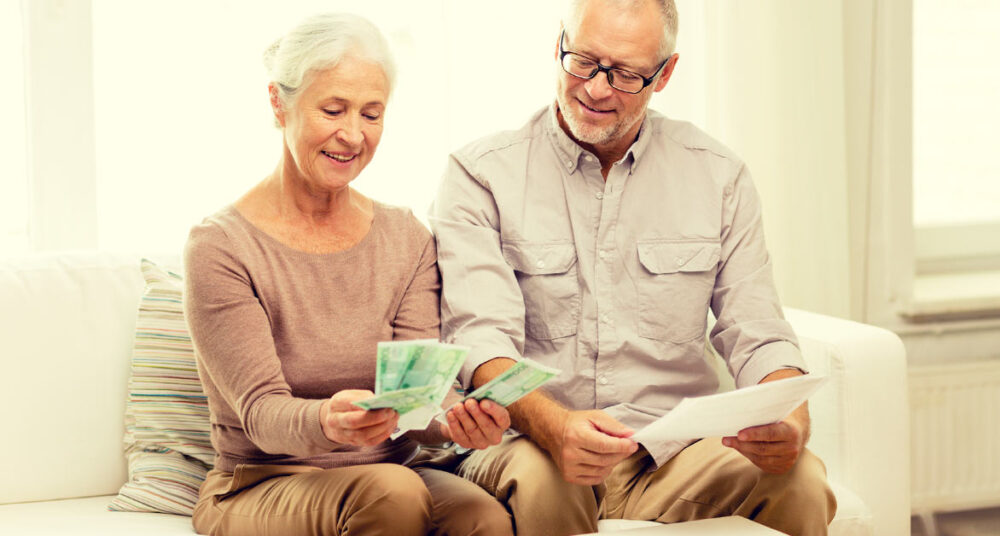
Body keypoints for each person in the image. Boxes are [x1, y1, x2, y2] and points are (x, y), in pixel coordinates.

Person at [430, 0, 838, 534]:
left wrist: (790, 420)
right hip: (531, 448)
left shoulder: (717, 175)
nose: (597, 89)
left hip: (669, 454)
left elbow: (756, 330)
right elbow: (481, 342)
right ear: (558, 44)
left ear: (665, 73)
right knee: (545, 481)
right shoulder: (479, 175)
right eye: (582, 61)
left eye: (625, 74)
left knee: (801, 480)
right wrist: (557, 428)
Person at [183, 13, 512, 536]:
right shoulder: (221, 246)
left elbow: (416, 394)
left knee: (485, 517)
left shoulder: (404, 236)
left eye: (372, 113)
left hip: (388, 473)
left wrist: (454, 419)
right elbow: (260, 414)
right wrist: (326, 422)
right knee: (395, 493)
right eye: (332, 109)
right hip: (261, 480)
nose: (353, 134)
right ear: (278, 103)